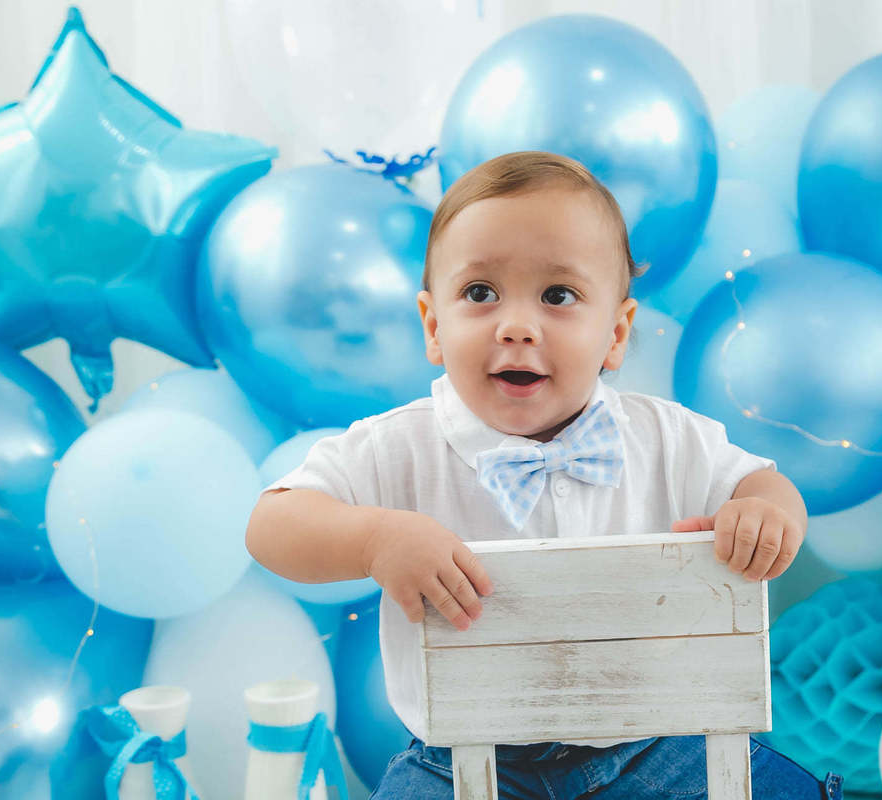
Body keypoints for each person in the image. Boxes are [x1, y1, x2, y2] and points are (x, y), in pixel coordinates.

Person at [246, 151, 844, 800]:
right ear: (434, 326)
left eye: (558, 296)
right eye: (480, 293)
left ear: (615, 334)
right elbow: (272, 524)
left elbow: (763, 483)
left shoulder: (665, 437)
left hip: (655, 745)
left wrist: (764, 514)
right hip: (461, 757)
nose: (516, 326)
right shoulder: (400, 445)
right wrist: (373, 539)